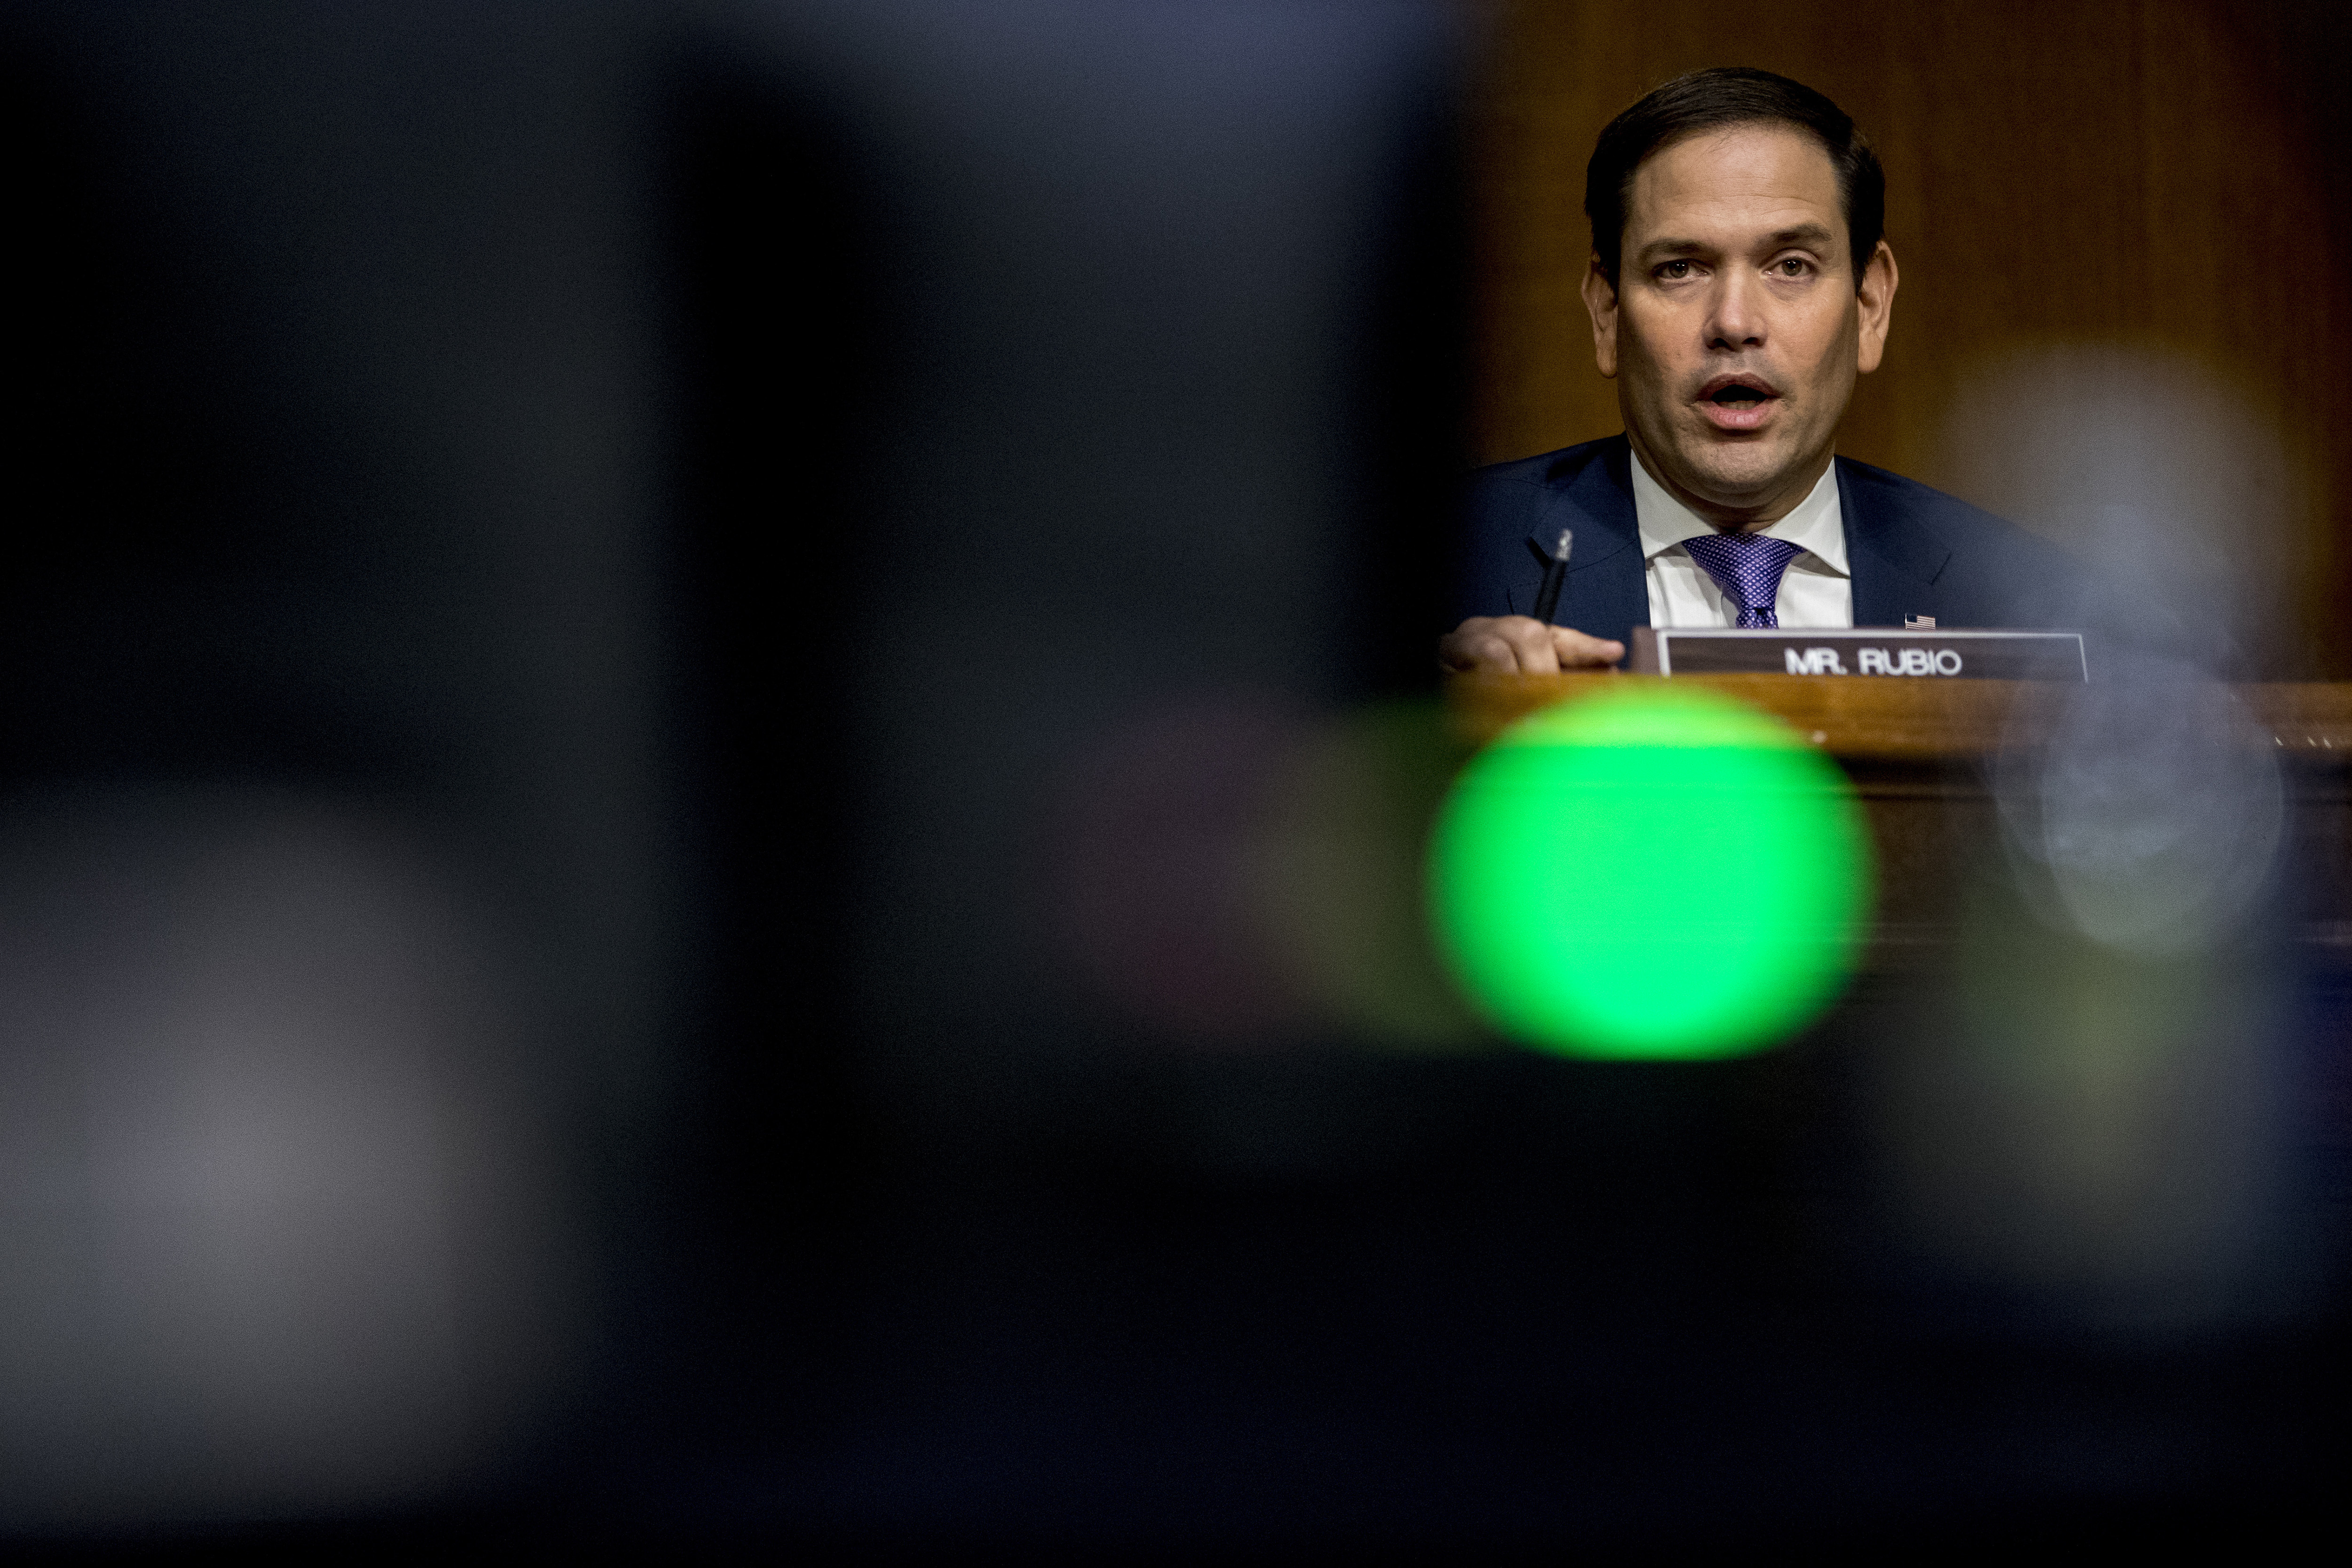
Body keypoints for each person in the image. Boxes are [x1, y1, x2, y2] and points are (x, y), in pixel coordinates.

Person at [1440, 68, 2091, 674]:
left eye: (1791, 266)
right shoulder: (1425, 573)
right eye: (1679, 268)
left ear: (1870, 305)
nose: (1734, 322)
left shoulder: (2028, 599)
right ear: (1608, 311)